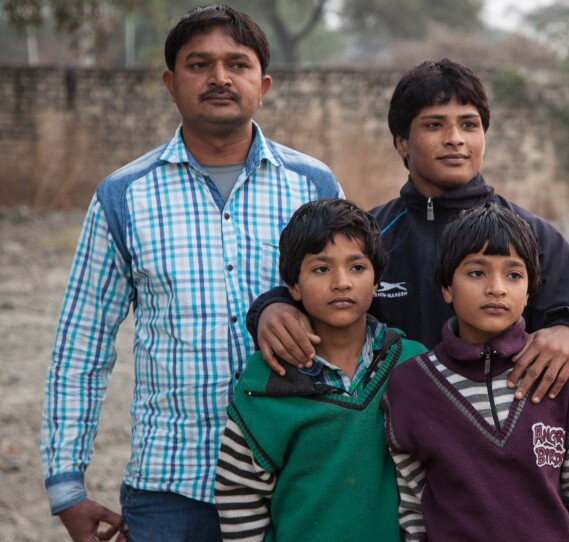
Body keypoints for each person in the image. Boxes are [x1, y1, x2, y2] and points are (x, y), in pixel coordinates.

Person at [39, 6, 342, 541]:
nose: (220, 78)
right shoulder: (123, 196)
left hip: (298, 476)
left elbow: (354, 315)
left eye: (237, 64)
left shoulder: (312, 185)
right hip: (171, 487)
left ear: (263, 84)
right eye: (199, 64)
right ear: (170, 83)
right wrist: (67, 486)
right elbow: (82, 345)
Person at [248, 58, 569, 405]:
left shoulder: (531, 236)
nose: (455, 138)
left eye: (469, 124)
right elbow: (313, 295)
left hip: (499, 453)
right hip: (390, 449)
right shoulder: (368, 237)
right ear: (402, 142)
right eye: (434, 124)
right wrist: (271, 307)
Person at [382, 203, 569, 541]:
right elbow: (414, 515)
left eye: (514, 275)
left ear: (529, 292)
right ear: (447, 287)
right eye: (477, 273)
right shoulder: (412, 387)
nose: (497, 288)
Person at [214, 198, 426, 541]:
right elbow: (238, 495)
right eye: (321, 269)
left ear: (376, 281)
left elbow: (433, 480)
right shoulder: (265, 383)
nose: (341, 282)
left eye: (357, 267)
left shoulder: (411, 367)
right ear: (293, 286)